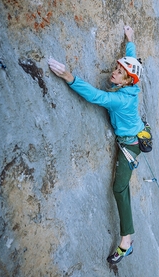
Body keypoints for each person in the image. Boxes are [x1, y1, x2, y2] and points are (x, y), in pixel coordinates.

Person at [48, 25, 144, 264]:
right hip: (136, 135)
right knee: (123, 186)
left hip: (130, 145)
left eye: (120, 73)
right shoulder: (131, 86)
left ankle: (126, 241)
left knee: (119, 189)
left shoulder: (121, 99)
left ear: (127, 81)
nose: (114, 73)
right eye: (116, 68)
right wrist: (129, 39)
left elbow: (96, 97)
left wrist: (70, 77)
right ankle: (127, 236)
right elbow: (131, 58)